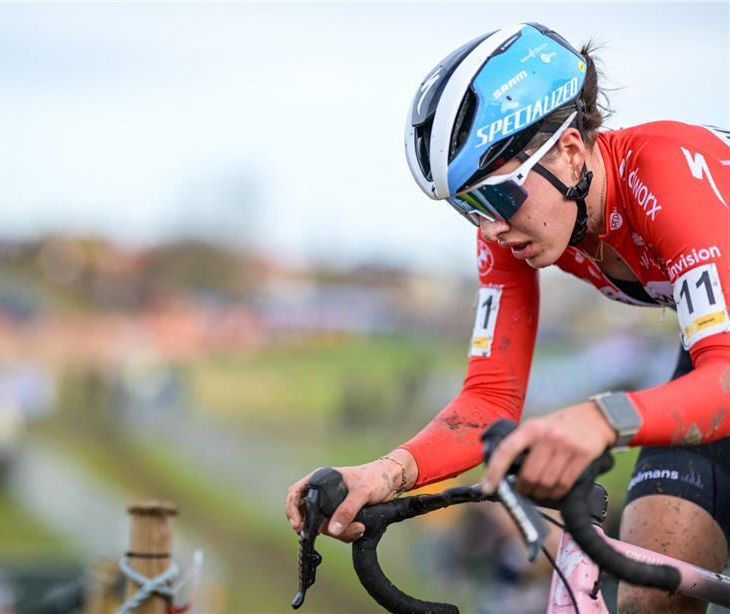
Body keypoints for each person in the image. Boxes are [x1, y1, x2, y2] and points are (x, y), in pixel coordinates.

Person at [285, 22, 729, 613]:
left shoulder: (666, 172)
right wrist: (386, 473)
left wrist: (601, 418)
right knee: (652, 594)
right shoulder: (518, 229)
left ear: (570, 152)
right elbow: (491, 396)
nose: (489, 227)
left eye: (497, 196)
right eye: (469, 207)